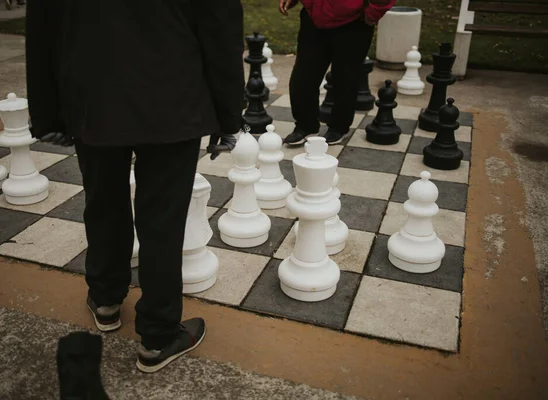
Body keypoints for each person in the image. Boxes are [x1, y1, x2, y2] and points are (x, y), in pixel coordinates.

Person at [25, 0, 245, 373]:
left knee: (103, 200)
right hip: (174, 95)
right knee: (162, 218)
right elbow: (220, 28)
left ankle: (106, 298)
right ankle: (158, 336)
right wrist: (227, 116)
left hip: (93, 92)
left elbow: (43, 25)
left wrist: (48, 112)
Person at [279, 0, 395, 145]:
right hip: (314, 18)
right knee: (303, 77)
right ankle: (305, 126)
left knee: (345, 78)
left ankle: (339, 127)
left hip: (353, 20)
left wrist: (374, 12)